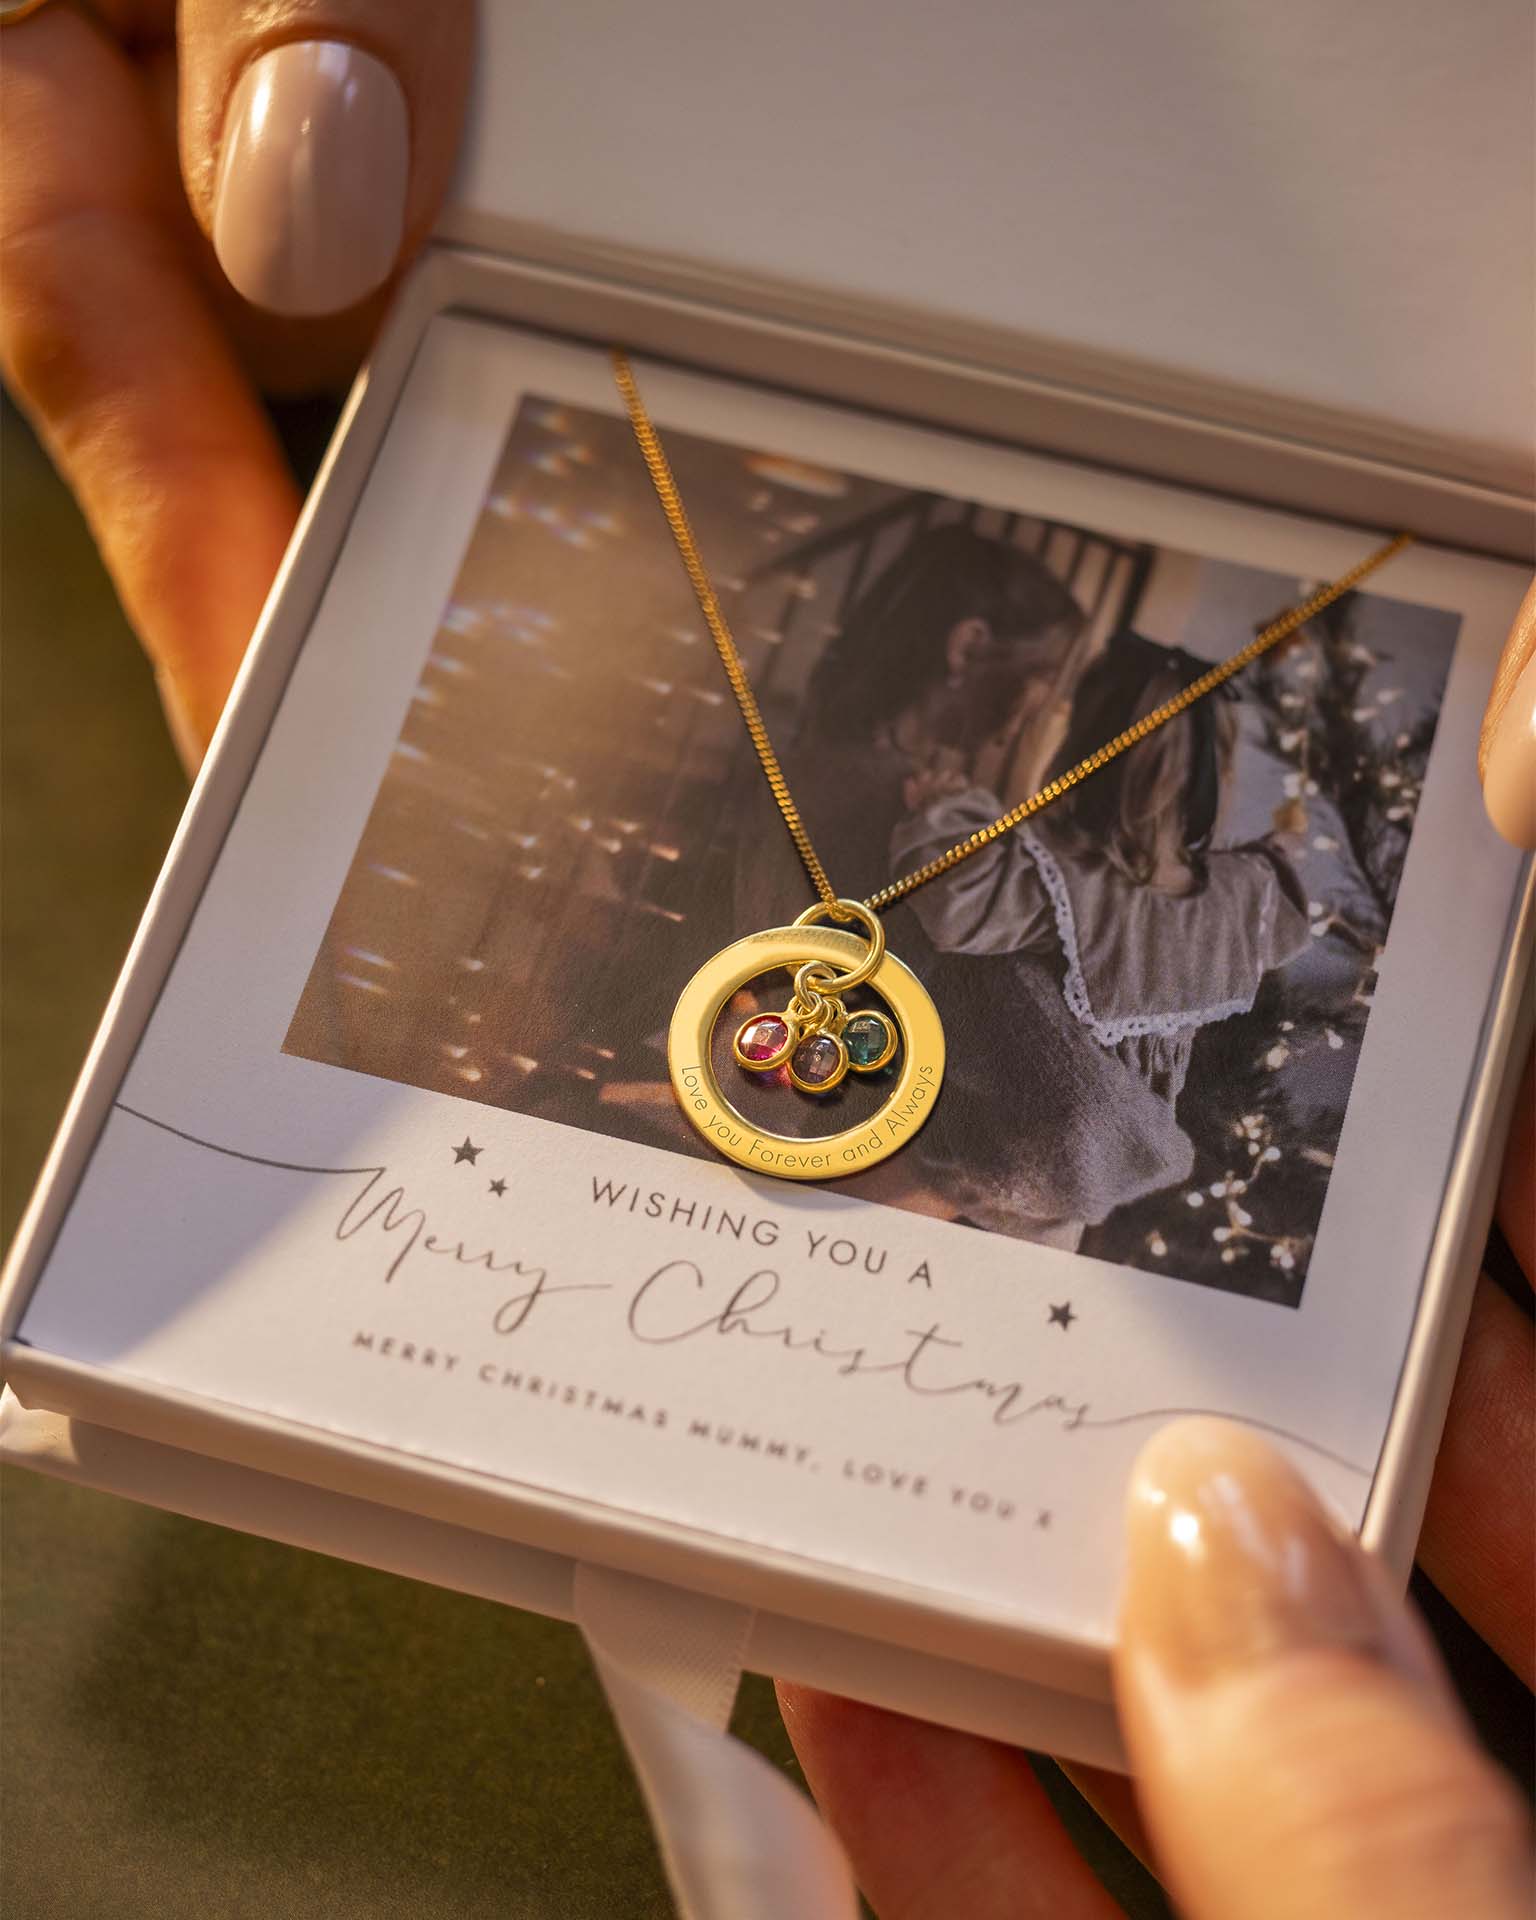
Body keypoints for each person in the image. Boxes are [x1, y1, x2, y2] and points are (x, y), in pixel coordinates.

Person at [2, 7, 1531, 1914]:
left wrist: (1086, 895)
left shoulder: (1151, 754)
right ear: (955, 654)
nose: (1021, 692)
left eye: (1037, 679)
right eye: (1001, 668)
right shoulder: (842, 762)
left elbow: (1203, 932)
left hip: (988, 1205)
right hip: (797, 1161)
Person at [889, 632, 1310, 1246]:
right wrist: (1281, 847)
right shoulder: (1239, 895)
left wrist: (969, 796)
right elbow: (1280, 918)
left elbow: (953, 908)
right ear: (1218, 768)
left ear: (1085, 740)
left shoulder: (1053, 878)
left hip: (993, 1169)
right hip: (1085, 1198)